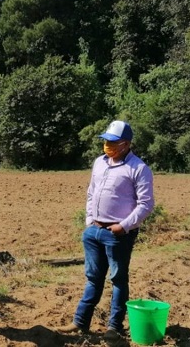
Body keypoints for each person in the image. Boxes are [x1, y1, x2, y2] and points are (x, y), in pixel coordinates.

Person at [58, 120, 154, 343]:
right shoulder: (99, 163)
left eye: (112, 142)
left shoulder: (138, 168)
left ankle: (114, 327)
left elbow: (146, 204)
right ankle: (80, 322)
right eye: (105, 141)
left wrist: (123, 226)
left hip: (118, 234)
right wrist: (89, 220)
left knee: (118, 279)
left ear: (126, 144)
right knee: (93, 278)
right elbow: (91, 193)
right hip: (94, 231)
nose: (107, 145)